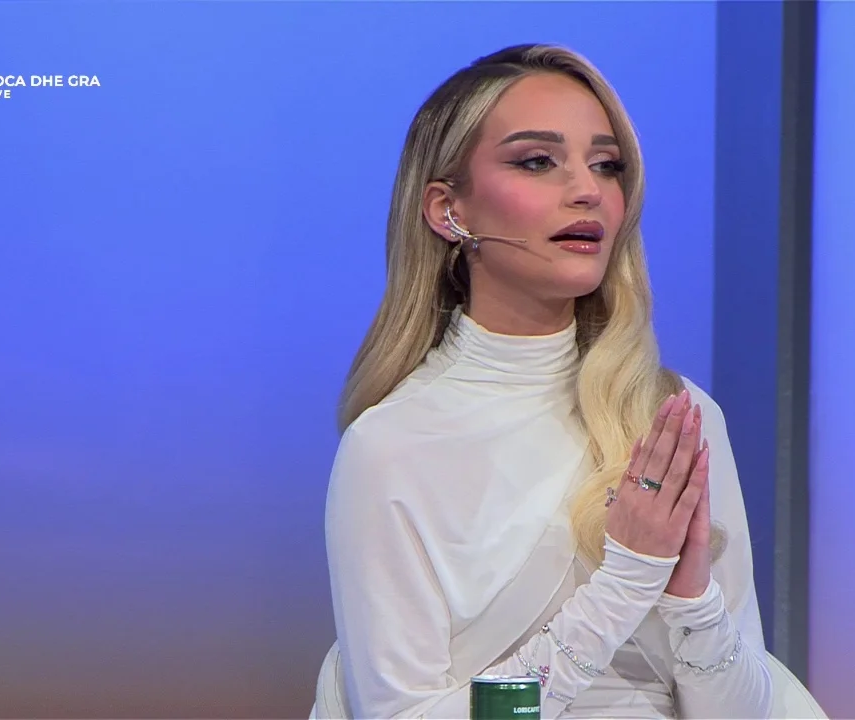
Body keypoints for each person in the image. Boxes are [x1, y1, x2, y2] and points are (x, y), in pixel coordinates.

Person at [321, 43, 773, 719]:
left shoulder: (671, 417)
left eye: (606, 165)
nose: (588, 190)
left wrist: (691, 600)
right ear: (448, 210)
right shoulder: (391, 445)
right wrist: (624, 585)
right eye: (537, 161)